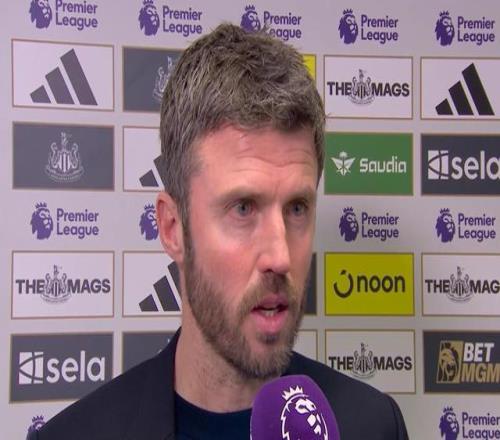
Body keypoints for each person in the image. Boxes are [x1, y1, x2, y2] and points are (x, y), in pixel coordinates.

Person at [29, 23, 409, 440]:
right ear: (173, 228)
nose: (280, 256)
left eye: (297, 208)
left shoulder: (373, 425)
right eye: (243, 208)